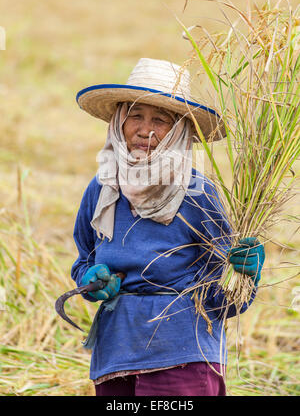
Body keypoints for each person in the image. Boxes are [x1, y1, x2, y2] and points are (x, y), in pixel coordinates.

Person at [71, 58, 265, 396]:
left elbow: (222, 299)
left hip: (183, 355)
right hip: (116, 353)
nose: (145, 130)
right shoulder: (102, 188)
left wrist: (245, 274)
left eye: (160, 120)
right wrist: (91, 280)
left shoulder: (198, 193)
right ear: (119, 121)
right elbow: (84, 259)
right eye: (135, 115)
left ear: (179, 132)